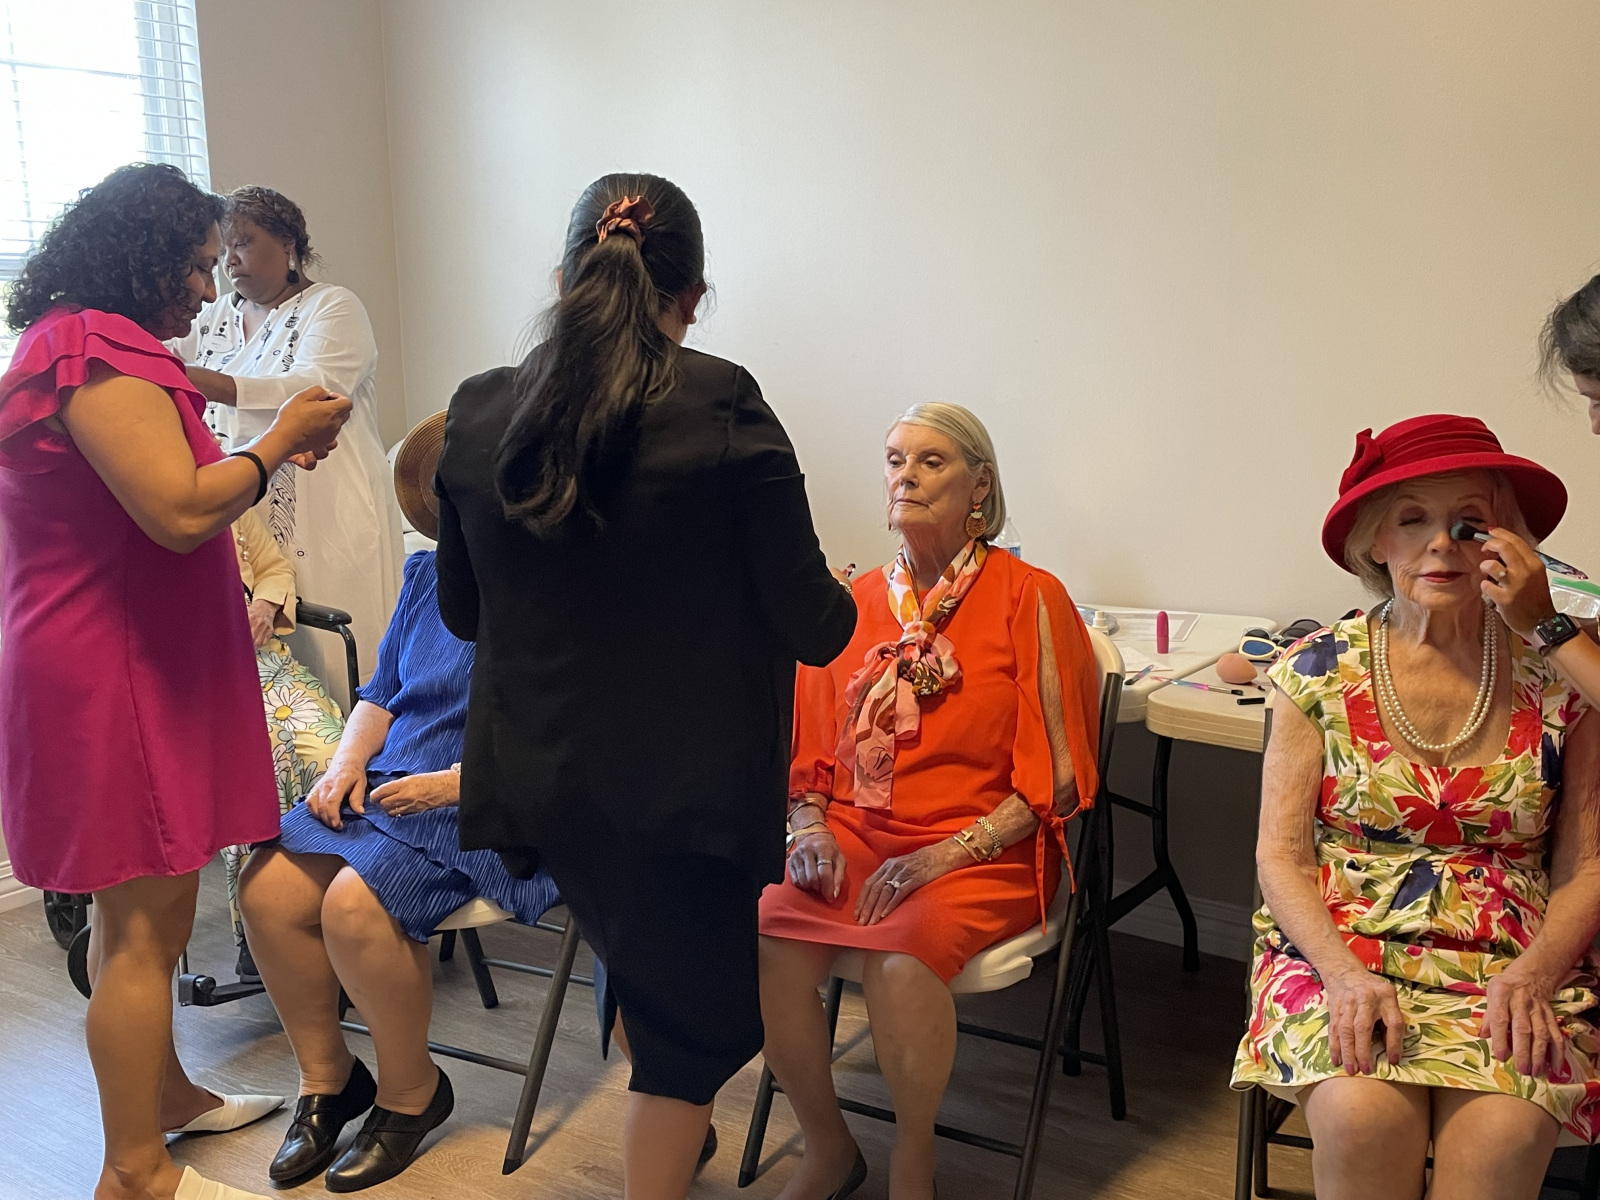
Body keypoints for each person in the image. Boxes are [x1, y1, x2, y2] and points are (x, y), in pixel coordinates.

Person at [434, 173, 857, 1200]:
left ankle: (673, 1135)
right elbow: (817, 624)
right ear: (693, 297)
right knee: (690, 1040)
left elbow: (463, 612)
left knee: (640, 966)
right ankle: (667, 1145)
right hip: (683, 793)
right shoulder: (722, 403)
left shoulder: (481, 408)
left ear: (564, 276)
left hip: (543, 781)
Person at [0, 162, 348, 1200]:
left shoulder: (74, 346)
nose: (207, 288)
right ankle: (136, 1170)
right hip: (116, 670)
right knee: (147, 929)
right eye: (195, 266)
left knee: (135, 911)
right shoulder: (92, 349)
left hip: (117, 660)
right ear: (140, 258)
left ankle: (167, 1099)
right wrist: (279, 442)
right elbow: (180, 509)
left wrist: (257, 451)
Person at [1231, 414, 1600, 1200]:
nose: (1442, 545)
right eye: (1411, 520)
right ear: (1374, 543)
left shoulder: (1564, 673)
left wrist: (1535, 975)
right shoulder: (1314, 671)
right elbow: (1281, 856)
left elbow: (1588, 865)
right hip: (1342, 948)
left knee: (1504, 1135)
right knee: (1361, 1119)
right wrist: (1341, 975)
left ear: (1508, 541)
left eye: (1469, 523)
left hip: (1513, 958)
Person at [757, 403, 1103, 1200]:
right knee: (766, 937)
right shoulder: (851, 600)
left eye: (930, 461)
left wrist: (940, 858)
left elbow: (1054, 780)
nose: (904, 475)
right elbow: (810, 752)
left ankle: (915, 1161)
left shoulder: (1030, 596)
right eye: (894, 460)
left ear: (980, 486)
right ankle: (829, 1147)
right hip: (856, 835)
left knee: (901, 963)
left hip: (985, 849)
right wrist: (807, 826)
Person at [239, 411, 561, 1192]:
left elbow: (575, 739)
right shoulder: (427, 577)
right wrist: (346, 763)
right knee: (266, 888)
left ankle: (411, 1093)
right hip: (395, 786)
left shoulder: (569, 589)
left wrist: (456, 784)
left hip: (499, 800)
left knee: (354, 908)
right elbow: (381, 693)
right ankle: (329, 1081)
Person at [170, 185, 404, 695]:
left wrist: (193, 379)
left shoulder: (334, 306)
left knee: (339, 653)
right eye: (223, 250)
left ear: (288, 243)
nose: (231, 261)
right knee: (270, 670)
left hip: (325, 505)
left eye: (243, 243)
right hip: (242, 510)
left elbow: (317, 389)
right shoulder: (212, 317)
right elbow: (159, 360)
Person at [221, 506, 345, 974]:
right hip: (205, 674)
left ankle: (334, 909)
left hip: (268, 664)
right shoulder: (154, 511)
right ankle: (257, 932)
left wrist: (264, 606)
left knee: (333, 753)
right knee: (252, 774)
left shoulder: (233, 500)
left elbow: (275, 567)